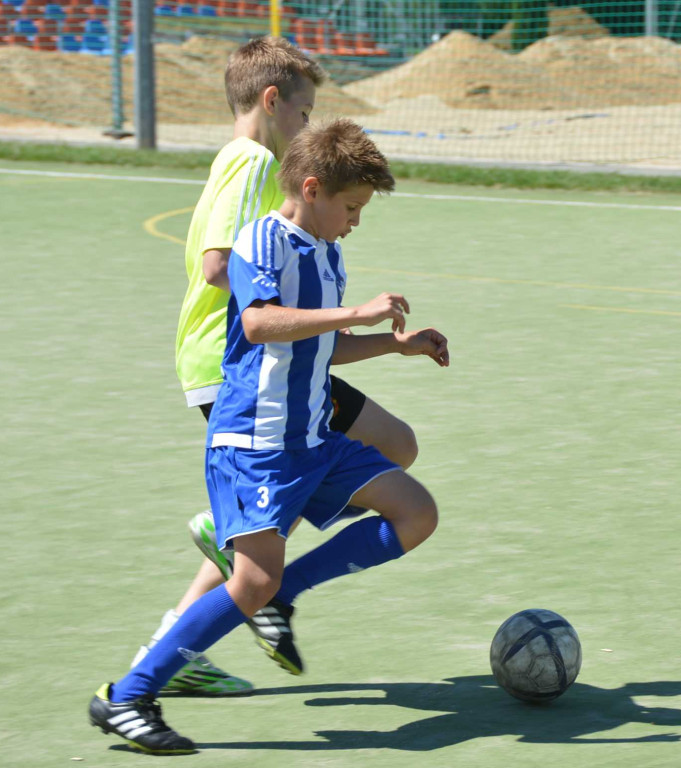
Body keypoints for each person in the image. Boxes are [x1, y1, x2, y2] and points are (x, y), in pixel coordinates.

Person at [90, 119, 447, 755]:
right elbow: (258, 324)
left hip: (313, 438)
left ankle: (289, 592)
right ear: (312, 189)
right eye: (352, 207)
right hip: (256, 444)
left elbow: (325, 344)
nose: (356, 221)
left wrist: (396, 347)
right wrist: (358, 310)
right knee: (248, 584)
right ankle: (126, 697)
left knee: (416, 513)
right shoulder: (261, 240)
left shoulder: (326, 250)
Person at [134, 36, 426, 697]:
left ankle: (177, 645)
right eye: (303, 112)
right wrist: (283, 269)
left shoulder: (246, 161)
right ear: (272, 103)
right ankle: (216, 590)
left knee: (393, 446)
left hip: (265, 356)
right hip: (242, 362)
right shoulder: (251, 162)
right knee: (291, 511)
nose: (307, 126)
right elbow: (219, 264)